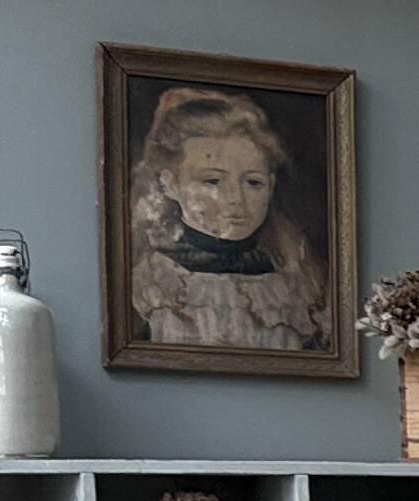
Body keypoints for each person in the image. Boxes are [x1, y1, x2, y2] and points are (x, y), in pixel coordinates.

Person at [128, 86, 326, 355]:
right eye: (213, 181)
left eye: (253, 182)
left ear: (271, 185)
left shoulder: (299, 286)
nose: (236, 199)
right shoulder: (149, 284)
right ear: (170, 184)